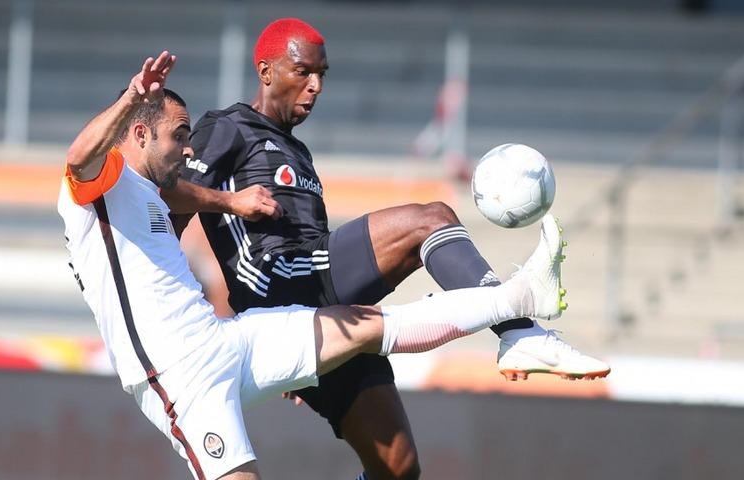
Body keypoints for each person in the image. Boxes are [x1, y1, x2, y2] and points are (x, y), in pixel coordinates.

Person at [59, 50, 572, 480]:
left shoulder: (149, 190)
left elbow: (181, 196)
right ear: (141, 135)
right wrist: (130, 98)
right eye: (179, 135)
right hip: (178, 378)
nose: (189, 147)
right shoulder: (97, 187)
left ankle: (520, 296)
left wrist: (230, 202)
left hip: (228, 340)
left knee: (361, 327)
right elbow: (78, 159)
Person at [167, 18, 611, 479]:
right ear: (265, 71)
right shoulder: (227, 127)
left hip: (312, 316)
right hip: (280, 281)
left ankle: (518, 335)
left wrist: (292, 350)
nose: (315, 86)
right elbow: (168, 198)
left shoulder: (298, 153)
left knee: (398, 469)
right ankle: (519, 333)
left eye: (322, 74)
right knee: (431, 219)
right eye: (303, 72)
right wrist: (228, 209)